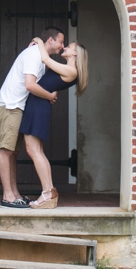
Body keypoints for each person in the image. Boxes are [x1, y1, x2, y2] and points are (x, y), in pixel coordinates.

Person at [0, 26, 66, 209]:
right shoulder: (34, 55)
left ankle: (15, 194)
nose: (62, 46)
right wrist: (49, 96)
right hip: (10, 105)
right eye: (61, 41)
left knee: (13, 152)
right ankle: (7, 197)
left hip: (18, 107)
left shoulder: (40, 57)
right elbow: (30, 85)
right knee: (6, 151)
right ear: (51, 40)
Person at [19, 37, 89, 209]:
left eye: (69, 46)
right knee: (37, 150)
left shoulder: (71, 70)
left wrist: (40, 43)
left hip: (38, 107)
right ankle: (50, 192)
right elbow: (53, 79)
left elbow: (45, 59)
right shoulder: (68, 70)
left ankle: (48, 193)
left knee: (33, 150)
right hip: (38, 105)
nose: (65, 47)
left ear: (75, 53)